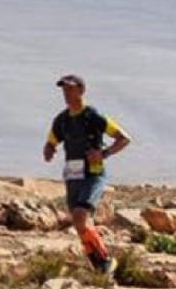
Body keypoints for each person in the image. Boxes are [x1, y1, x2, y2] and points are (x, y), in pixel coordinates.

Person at [42, 74, 131, 274]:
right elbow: (51, 141)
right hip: (72, 176)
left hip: (93, 175)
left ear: (81, 90)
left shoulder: (93, 116)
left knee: (81, 216)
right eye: (64, 90)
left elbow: (123, 138)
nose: (66, 93)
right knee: (78, 222)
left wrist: (103, 153)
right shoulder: (62, 120)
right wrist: (48, 149)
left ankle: (106, 260)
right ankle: (100, 266)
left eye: (70, 89)